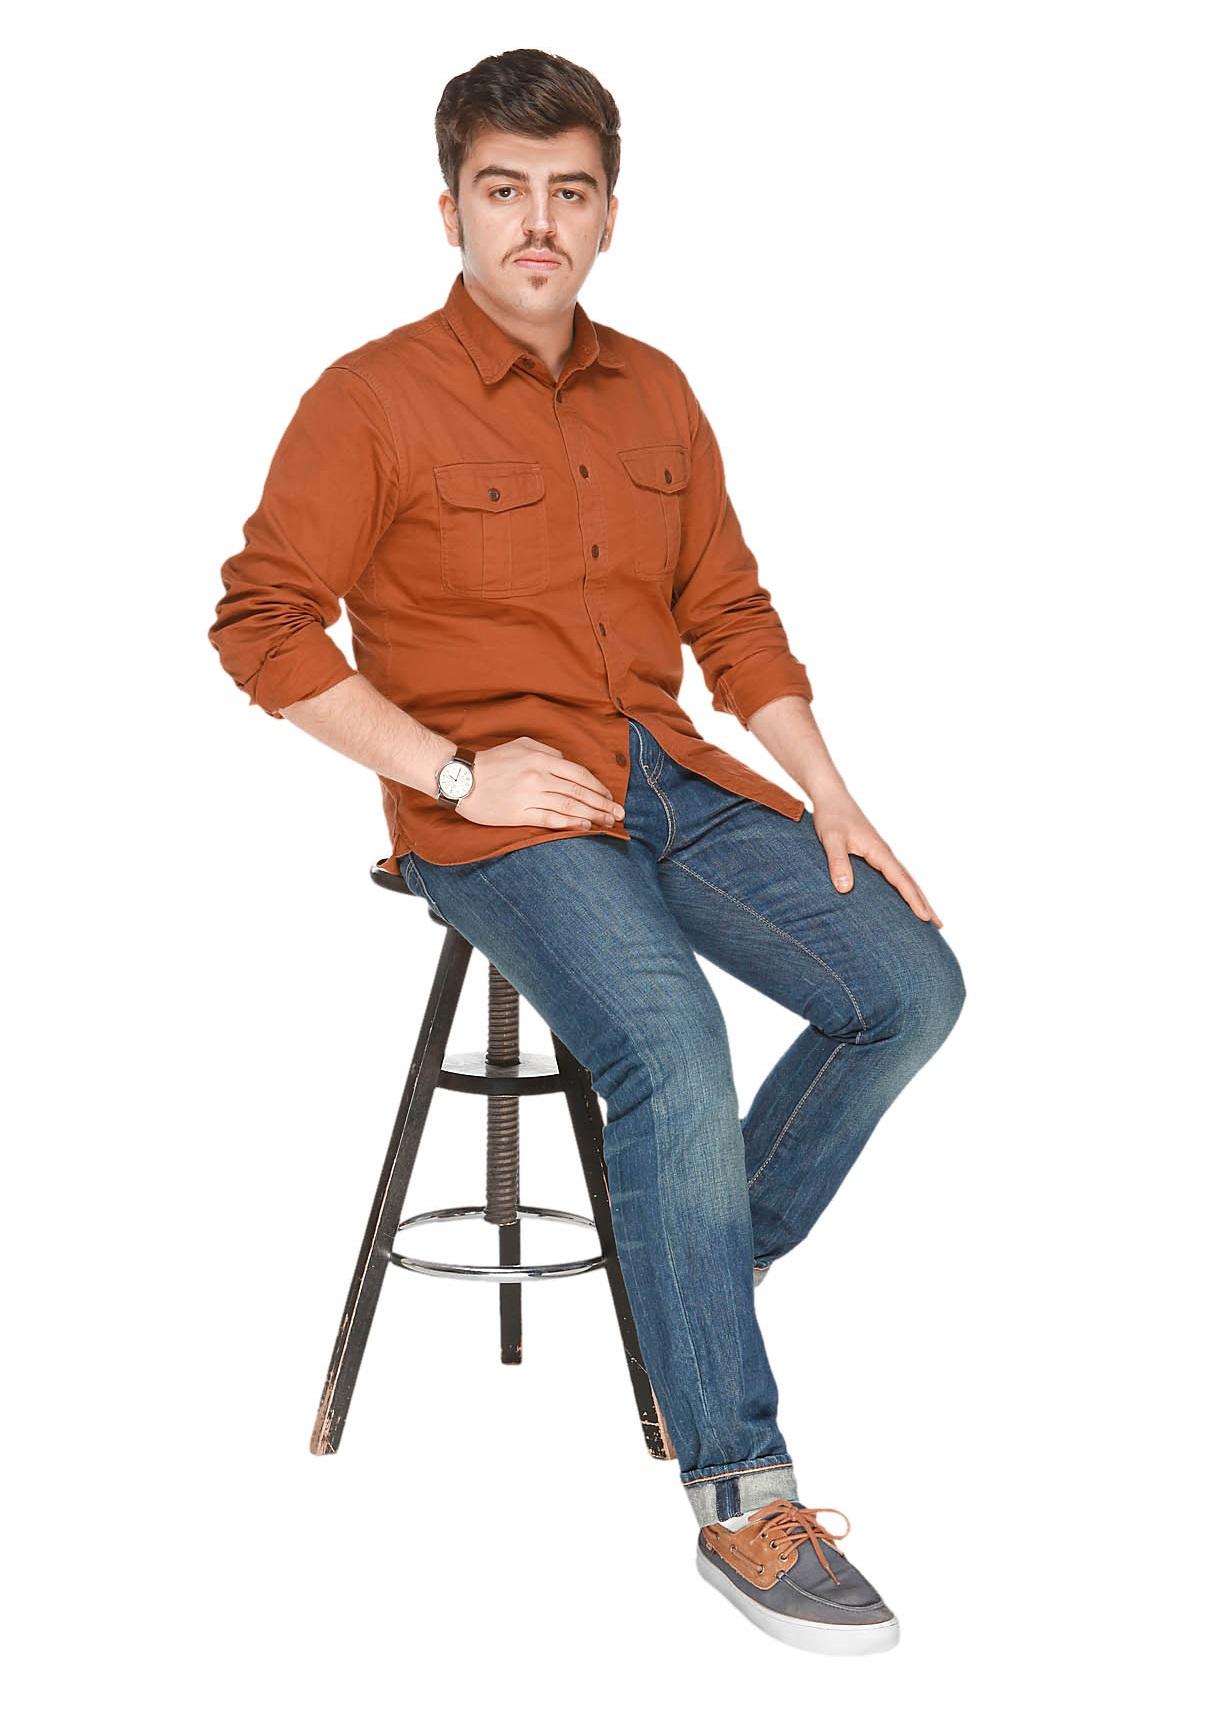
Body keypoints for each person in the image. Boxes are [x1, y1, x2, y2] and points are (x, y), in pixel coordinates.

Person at [208, 47, 965, 1655]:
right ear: (451, 209)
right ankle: (742, 1493)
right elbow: (260, 622)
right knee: (672, 1049)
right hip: (492, 813)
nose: (536, 222)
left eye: (569, 192)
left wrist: (827, 790)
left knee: (906, 984)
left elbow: (728, 610)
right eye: (503, 191)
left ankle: (689, 1262)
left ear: (611, 213)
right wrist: (450, 770)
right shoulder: (368, 398)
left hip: (668, 774)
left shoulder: (657, 389)